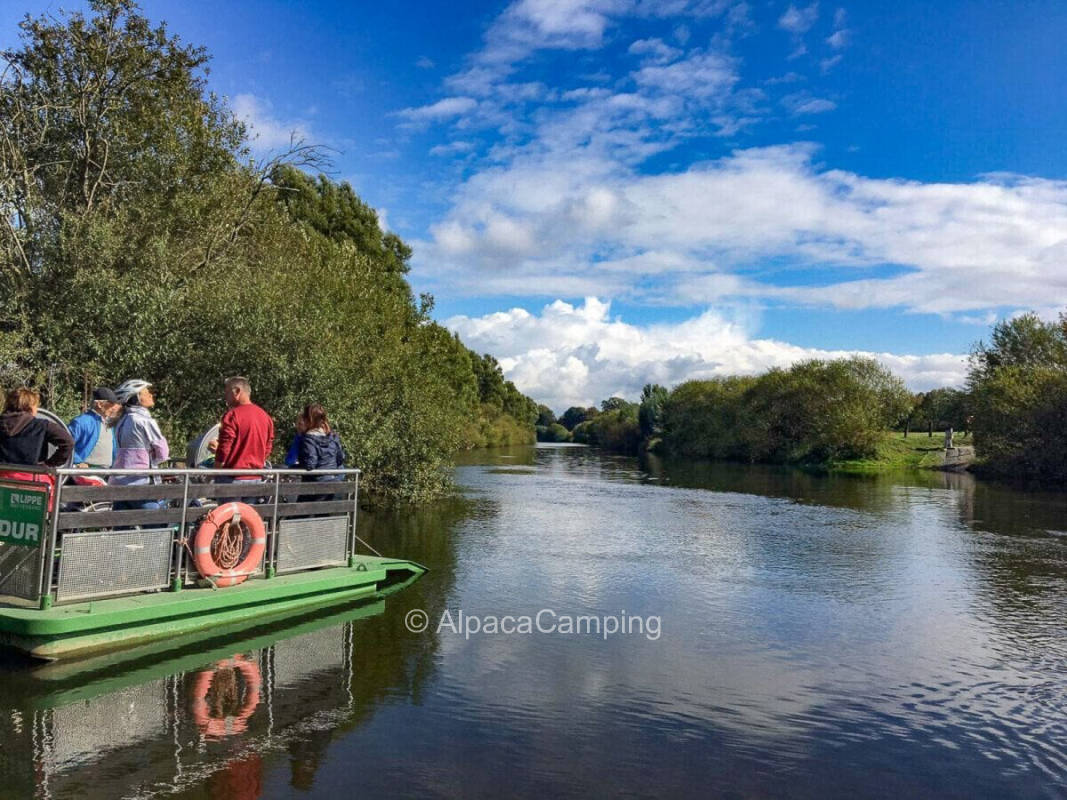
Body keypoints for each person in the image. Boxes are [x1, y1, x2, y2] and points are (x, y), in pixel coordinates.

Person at [111, 379, 170, 510]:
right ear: (136, 398)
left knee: (121, 526)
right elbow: (163, 453)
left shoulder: (121, 420)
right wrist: (153, 457)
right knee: (155, 524)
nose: (151, 394)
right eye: (146, 392)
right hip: (141, 482)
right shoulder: (144, 420)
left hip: (119, 483)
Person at [212, 377, 274, 500]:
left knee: (228, 517)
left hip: (232, 478)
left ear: (237, 392)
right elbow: (268, 446)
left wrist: (216, 469)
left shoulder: (232, 416)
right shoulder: (265, 417)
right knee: (247, 516)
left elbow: (224, 448)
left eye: (227, 392)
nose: (225, 396)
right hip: (255, 477)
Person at [296, 403, 345, 501]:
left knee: (296, 514)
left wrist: (294, 467)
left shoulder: (309, 439)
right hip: (333, 484)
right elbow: (340, 459)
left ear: (308, 420)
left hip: (315, 487)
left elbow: (311, 464)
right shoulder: (333, 438)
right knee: (322, 513)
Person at [68, 387, 120, 469]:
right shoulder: (81, 422)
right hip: (85, 473)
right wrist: (77, 461)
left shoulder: (108, 423)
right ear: (99, 404)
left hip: (107, 473)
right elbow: (65, 445)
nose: (114, 407)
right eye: (111, 404)